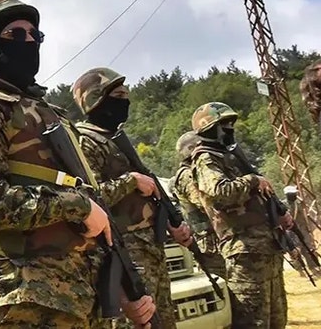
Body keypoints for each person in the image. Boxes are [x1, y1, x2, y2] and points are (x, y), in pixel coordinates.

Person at [0, 0, 155, 329]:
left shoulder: (46, 114)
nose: (30, 42)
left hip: (80, 297)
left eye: (35, 35)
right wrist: (77, 205)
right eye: (15, 34)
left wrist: (123, 291)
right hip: (26, 300)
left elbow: (95, 211)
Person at [71, 67, 191, 329]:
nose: (125, 100)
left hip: (151, 248)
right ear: (96, 100)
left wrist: (170, 221)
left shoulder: (116, 139)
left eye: (126, 93)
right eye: (118, 94)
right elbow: (87, 198)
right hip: (125, 250)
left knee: (163, 319)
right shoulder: (85, 142)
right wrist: (131, 181)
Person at [189, 101, 289, 329]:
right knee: (252, 322)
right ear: (209, 127)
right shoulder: (205, 158)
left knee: (277, 320)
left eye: (231, 123)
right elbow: (219, 192)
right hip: (243, 251)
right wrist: (253, 180)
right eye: (224, 124)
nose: (230, 129)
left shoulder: (231, 156)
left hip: (266, 247)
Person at [170, 132, 227, 280]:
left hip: (217, 241)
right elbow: (205, 202)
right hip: (211, 245)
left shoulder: (196, 171)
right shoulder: (186, 175)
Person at [284, 184, 321, 278]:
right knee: (295, 252)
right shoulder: (283, 205)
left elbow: (303, 218)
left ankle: (314, 269)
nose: (295, 195)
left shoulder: (298, 204)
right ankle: (301, 271)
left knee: (308, 250)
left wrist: (308, 230)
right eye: (293, 194)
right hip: (290, 232)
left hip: (301, 230)